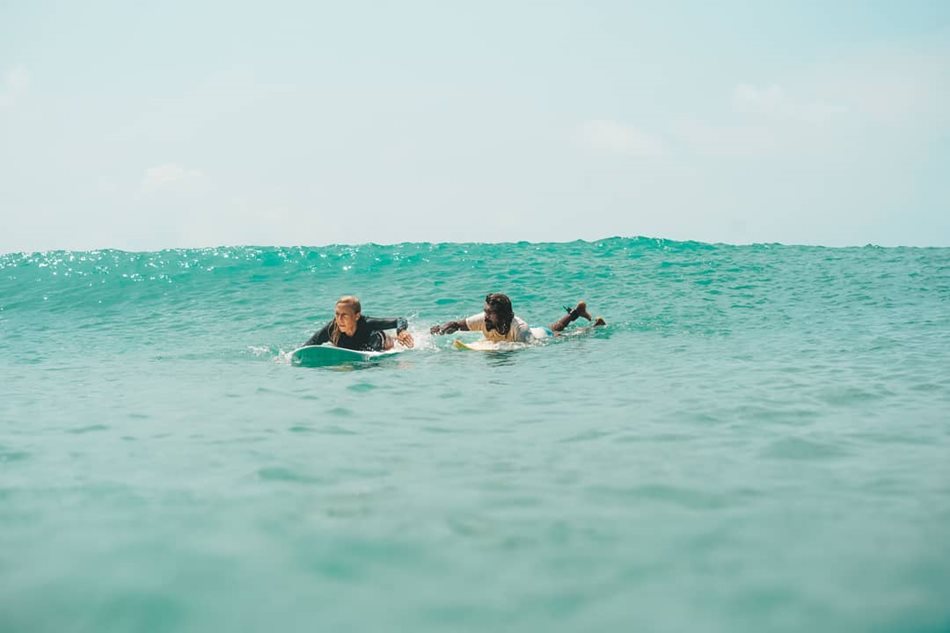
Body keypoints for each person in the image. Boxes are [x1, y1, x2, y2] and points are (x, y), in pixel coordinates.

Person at [429, 293, 605, 343]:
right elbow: (457, 324)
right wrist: (443, 328)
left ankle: (593, 327)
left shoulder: (520, 330)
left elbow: (532, 346)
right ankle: (576, 312)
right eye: (485, 311)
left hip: (538, 336)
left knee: (560, 333)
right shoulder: (483, 319)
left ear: (504, 315)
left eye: (490, 313)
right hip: (534, 330)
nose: (486, 316)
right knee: (555, 325)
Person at [304, 296, 414, 351]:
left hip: (377, 342)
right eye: (337, 314)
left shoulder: (367, 324)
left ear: (356, 316)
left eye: (344, 315)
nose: (339, 319)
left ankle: (395, 338)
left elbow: (400, 320)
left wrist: (401, 331)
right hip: (354, 348)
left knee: (380, 342)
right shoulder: (331, 328)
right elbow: (310, 344)